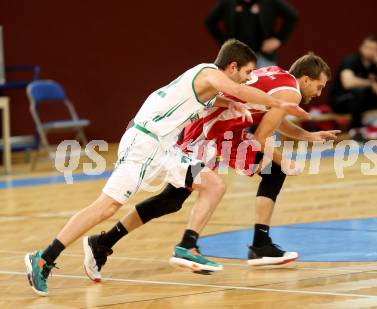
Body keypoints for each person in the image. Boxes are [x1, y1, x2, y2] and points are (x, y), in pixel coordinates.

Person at [24, 39, 310, 296]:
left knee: (213, 185)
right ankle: (44, 257)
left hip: (166, 149)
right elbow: (237, 90)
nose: (250, 78)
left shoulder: (207, 82)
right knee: (106, 208)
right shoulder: (210, 73)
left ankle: (187, 247)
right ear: (232, 66)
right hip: (144, 144)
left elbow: (223, 96)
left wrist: (231, 105)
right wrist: (278, 102)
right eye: (247, 72)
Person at [82, 53, 338, 282]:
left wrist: (309, 136)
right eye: (319, 86)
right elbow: (261, 137)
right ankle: (111, 242)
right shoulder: (291, 92)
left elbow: (274, 121)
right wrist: (286, 161)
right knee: (172, 199)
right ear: (305, 79)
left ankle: (261, 245)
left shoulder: (277, 76)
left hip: (225, 134)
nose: (319, 92)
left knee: (269, 172)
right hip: (205, 133)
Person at [329, 35, 377, 141]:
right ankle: (356, 130)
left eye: (375, 49)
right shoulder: (351, 60)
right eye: (369, 48)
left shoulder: (374, 64)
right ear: (361, 48)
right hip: (341, 101)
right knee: (358, 91)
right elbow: (347, 82)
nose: (371, 51)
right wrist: (371, 83)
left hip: (361, 102)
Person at [205, 0, 298, 68]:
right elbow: (210, 21)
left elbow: (292, 16)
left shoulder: (269, 2)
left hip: (263, 55)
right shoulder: (228, 3)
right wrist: (225, 42)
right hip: (235, 56)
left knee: (265, 86)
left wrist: (278, 39)